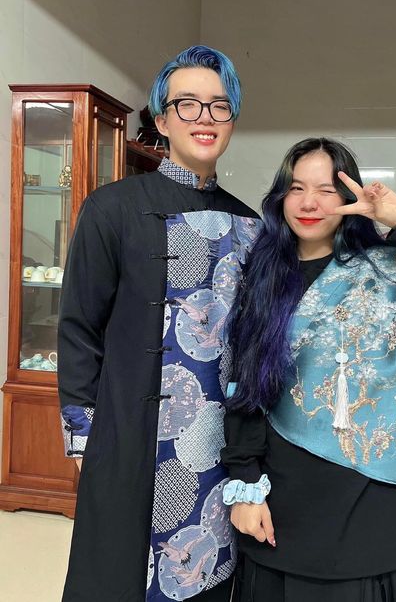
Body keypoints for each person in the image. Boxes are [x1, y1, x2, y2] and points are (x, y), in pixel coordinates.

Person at [222, 137, 396, 602]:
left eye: (326, 190)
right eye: (296, 188)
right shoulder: (263, 275)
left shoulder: (392, 275)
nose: (309, 203)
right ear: (280, 198)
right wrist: (247, 482)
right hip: (284, 496)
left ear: (350, 198)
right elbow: (246, 384)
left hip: (375, 498)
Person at [57, 46, 262, 601]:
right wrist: (84, 440)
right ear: (163, 119)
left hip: (215, 446)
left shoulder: (251, 226)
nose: (204, 118)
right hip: (126, 438)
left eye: (219, 106)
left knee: (205, 575)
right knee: (117, 577)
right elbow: (78, 328)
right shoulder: (111, 209)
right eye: (187, 104)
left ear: (232, 120)